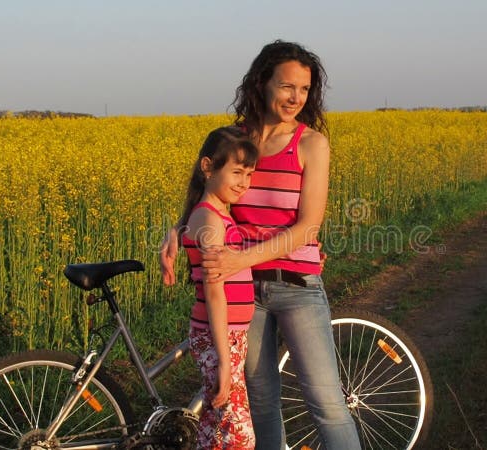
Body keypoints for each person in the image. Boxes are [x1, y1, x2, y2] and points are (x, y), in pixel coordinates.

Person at [162, 40, 362, 450]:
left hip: (297, 287)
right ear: (262, 82)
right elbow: (207, 196)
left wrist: (241, 256)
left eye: (304, 89)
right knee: (261, 402)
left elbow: (308, 226)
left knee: (326, 402)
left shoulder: (311, 144)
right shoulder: (233, 140)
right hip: (242, 292)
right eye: (287, 86)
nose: (295, 98)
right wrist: (178, 232)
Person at [180, 126, 259, 449]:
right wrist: (225, 362)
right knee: (240, 437)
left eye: (249, 174)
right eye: (237, 172)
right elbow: (215, 293)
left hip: (229, 337)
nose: (244, 182)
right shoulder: (210, 220)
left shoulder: (215, 215)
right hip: (219, 337)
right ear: (208, 167)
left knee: (216, 427)